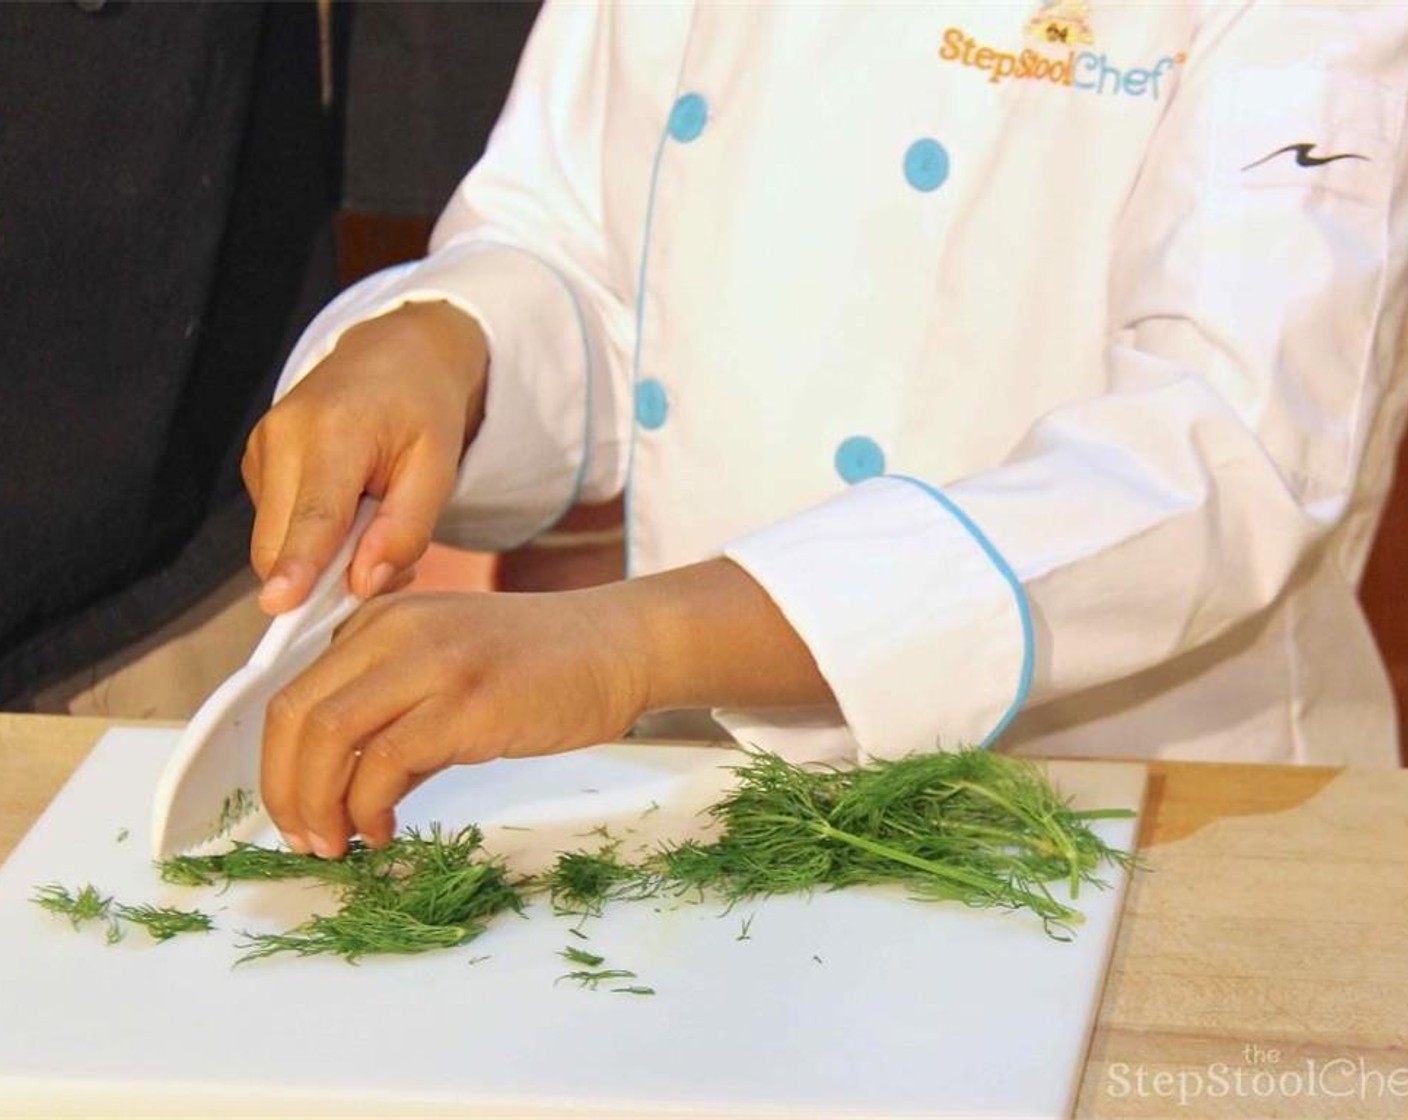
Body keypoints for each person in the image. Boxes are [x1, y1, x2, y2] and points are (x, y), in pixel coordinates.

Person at [241, 1, 1408, 860]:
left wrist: (633, 645)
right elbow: (584, 246)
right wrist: (449, 341)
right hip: (724, 811)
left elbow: (1221, 450)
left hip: (1155, 814)